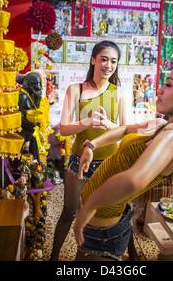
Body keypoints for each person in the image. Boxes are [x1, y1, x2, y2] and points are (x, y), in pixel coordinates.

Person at [73, 58, 173, 261]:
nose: (161, 89)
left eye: (169, 84)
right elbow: (125, 129)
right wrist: (92, 145)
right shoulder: (164, 125)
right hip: (104, 221)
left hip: (102, 228)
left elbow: (133, 180)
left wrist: (90, 206)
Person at [50, 40, 128, 261]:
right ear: (93, 60)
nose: (108, 65)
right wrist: (87, 122)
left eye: (113, 61)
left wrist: (107, 124)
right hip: (78, 161)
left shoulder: (120, 93)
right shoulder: (76, 90)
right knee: (69, 211)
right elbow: (64, 129)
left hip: (109, 164)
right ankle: (53, 256)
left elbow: (126, 131)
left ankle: (84, 257)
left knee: (104, 214)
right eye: (104, 59)